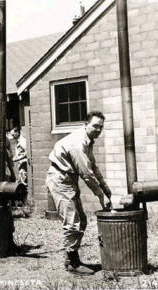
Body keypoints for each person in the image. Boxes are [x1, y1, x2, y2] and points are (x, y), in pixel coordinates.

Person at [46, 110, 112, 276]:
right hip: (60, 179)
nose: (98, 129)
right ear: (86, 124)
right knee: (72, 221)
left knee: (81, 220)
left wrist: (105, 188)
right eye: (95, 125)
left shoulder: (88, 141)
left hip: (69, 180)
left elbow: (93, 167)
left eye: (101, 127)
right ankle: (73, 263)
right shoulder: (78, 142)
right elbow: (86, 173)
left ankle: (71, 258)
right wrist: (100, 196)